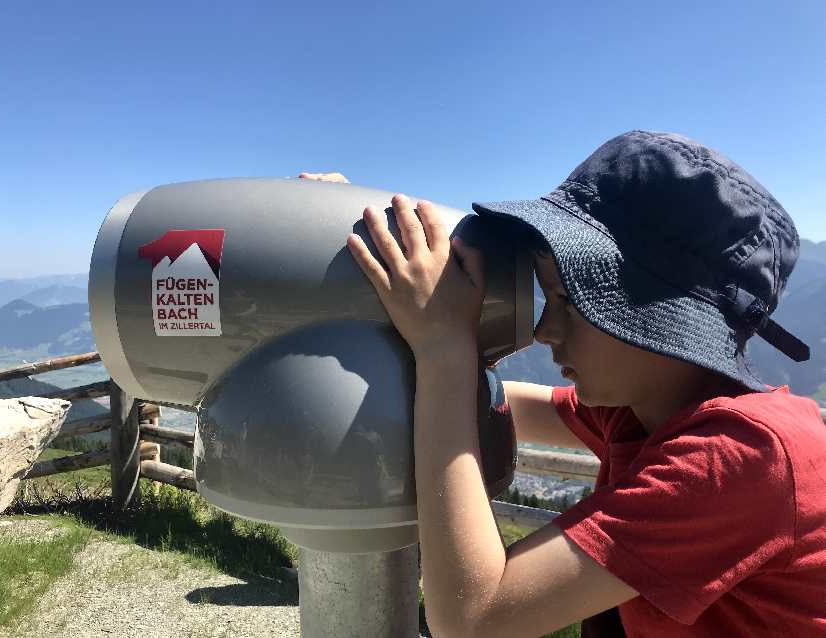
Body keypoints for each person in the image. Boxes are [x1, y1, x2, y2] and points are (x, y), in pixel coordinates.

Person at [300, 130, 826, 637]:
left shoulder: (743, 458)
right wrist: (343, 238)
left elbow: (475, 619)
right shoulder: (648, 408)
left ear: (661, 314)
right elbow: (513, 406)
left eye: (569, 300)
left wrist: (445, 348)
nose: (544, 330)